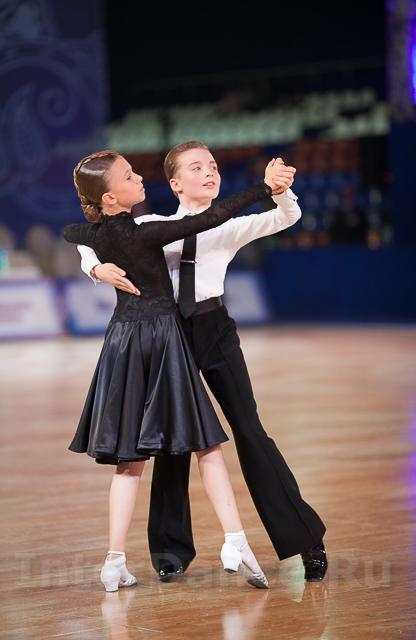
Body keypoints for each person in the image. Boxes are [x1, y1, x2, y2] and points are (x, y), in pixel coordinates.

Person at [78, 141, 328, 583]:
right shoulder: (149, 224)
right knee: (169, 443)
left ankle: (305, 540)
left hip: (214, 331)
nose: (209, 172)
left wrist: (281, 189)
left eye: (213, 165)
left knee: (249, 430)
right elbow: (91, 240)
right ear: (175, 183)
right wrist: (96, 270)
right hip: (167, 335)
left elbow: (287, 217)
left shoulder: (230, 225)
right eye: (197, 167)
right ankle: (170, 553)